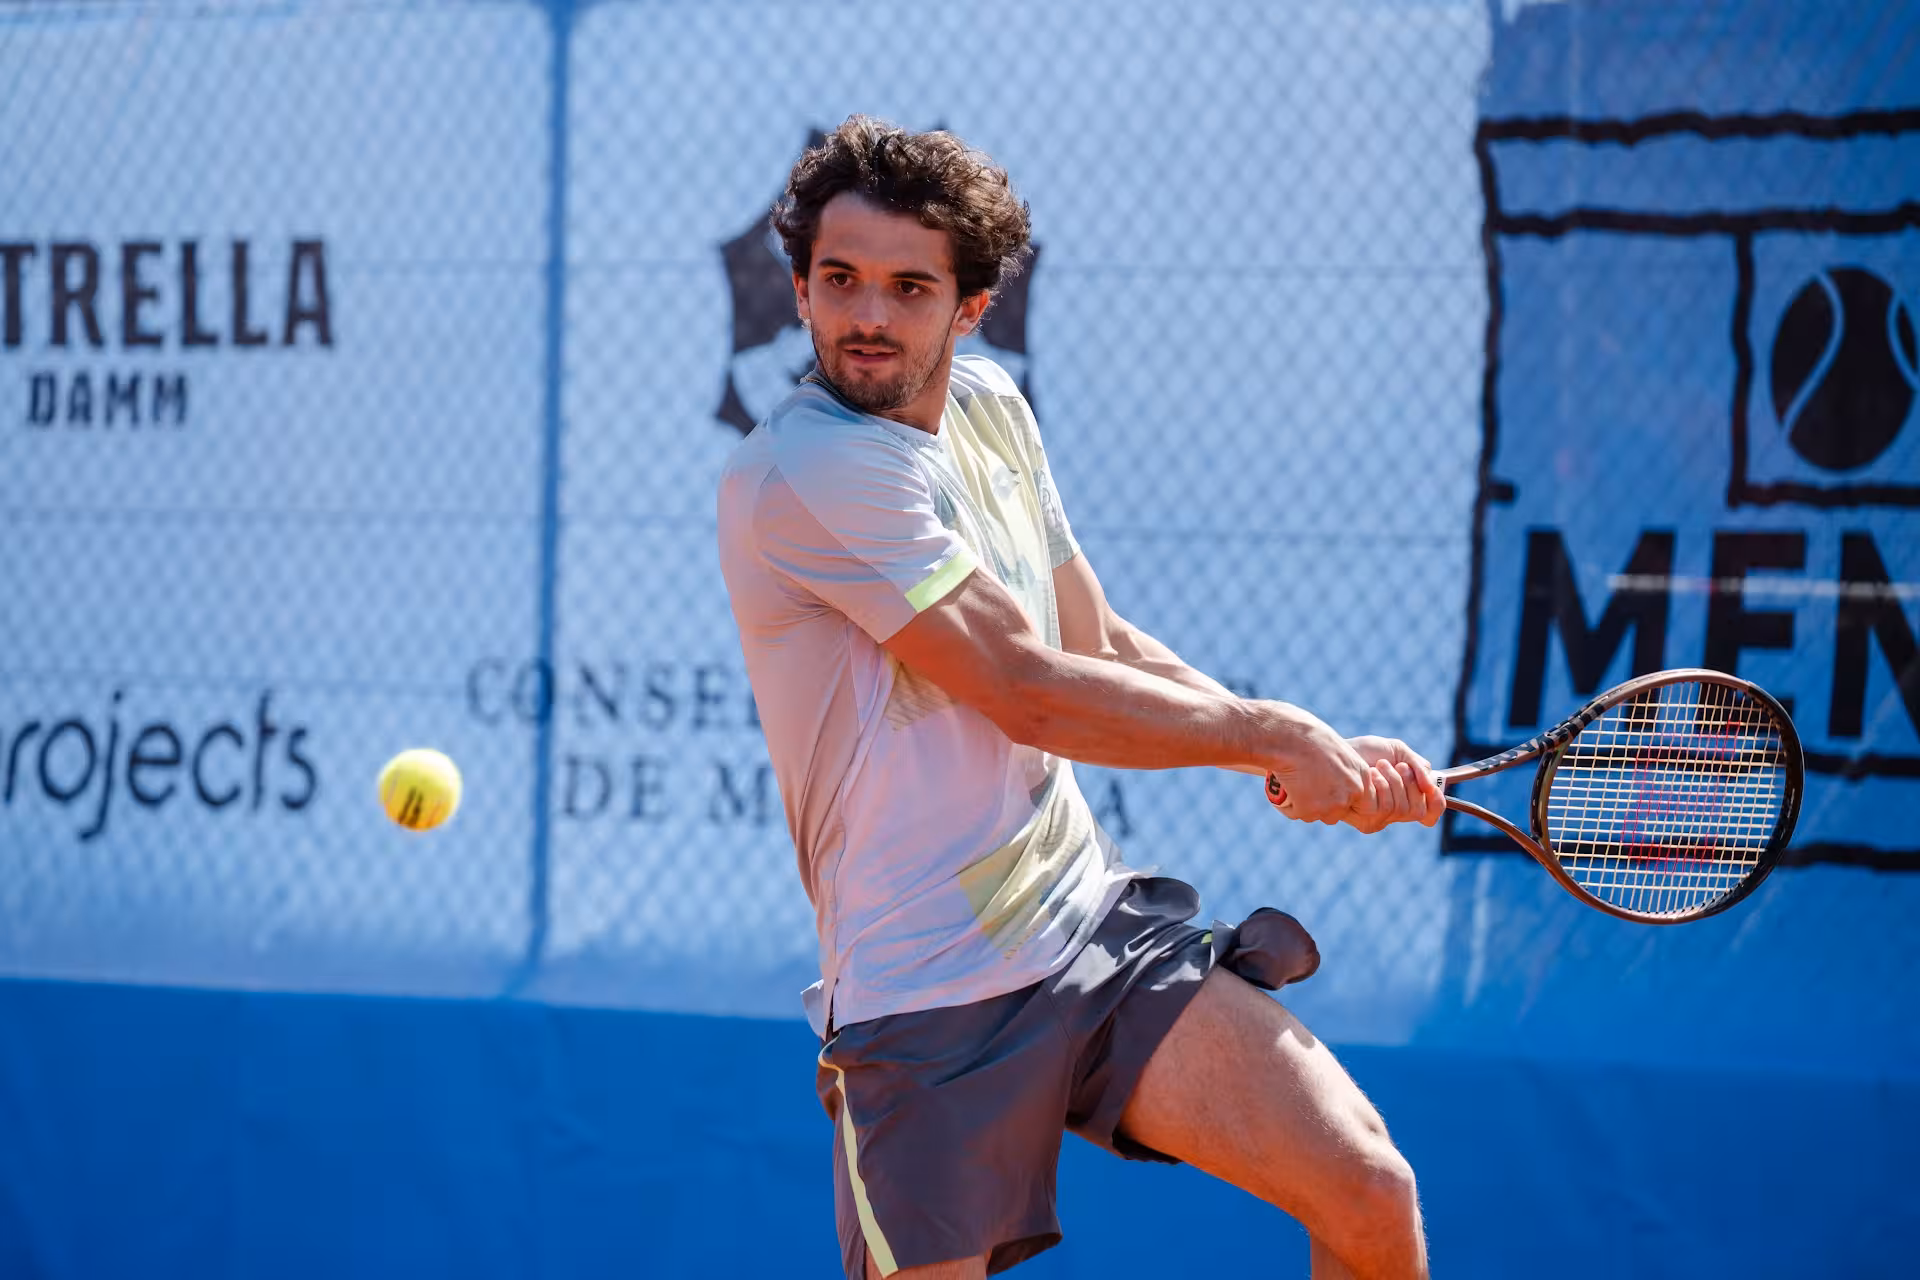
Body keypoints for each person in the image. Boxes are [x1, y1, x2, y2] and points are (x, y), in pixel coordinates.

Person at [716, 116, 1441, 1280]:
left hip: (1085, 928)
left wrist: (1301, 750)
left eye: (911, 287)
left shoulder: (991, 408)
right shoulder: (808, 469)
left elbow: (1092, 638)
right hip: (924, 997)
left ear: (971, 307)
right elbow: (1029, 689)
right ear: (799, 290)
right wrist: (1274, 734)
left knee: (1367, 1187)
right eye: (840, 279)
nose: (867, 315)